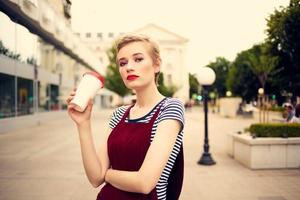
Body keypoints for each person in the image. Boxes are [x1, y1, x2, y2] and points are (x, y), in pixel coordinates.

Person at [66, 34, 185, 200]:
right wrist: (83, 124)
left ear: (156, 64)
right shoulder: (119, 114)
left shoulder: (170, 108)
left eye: (138, 59)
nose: (129, 67)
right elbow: (95, 178)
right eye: (123, 63)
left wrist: (107, 174)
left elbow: (144, 183)